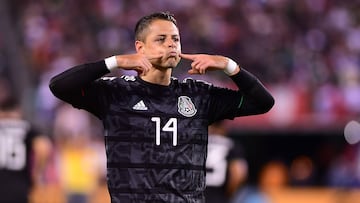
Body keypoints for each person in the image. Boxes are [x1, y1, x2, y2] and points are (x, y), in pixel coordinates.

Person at [49, 11, 274, 203]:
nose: (171, 44)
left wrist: (229, 66)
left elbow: (263, 103)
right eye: (161, 39)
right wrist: (114, 62)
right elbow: (59, 86)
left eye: (175, 39)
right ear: (140, 47)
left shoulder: (199, 95)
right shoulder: (115, 93)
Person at [0, 96, 52, 203]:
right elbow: (44, 147)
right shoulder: (25, 127)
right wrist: (37, 175)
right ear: (18, 111)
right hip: (19, 188)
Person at [205, 121, 248, 203]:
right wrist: (230, 194)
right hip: (219, 197)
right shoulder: (232, 145)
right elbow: (238, 175)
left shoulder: (199, 143)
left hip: (196, 197)